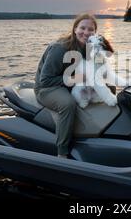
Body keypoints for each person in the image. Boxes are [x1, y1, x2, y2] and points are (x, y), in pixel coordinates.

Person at [34, 13, 97, 158]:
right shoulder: (60, 48)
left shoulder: (89, 47)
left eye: (90, 29)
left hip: (68, 84)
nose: (86, 32)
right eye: (82, 28)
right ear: (75, 29)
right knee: (67, 104)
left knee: (108, 88)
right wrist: (77, 78)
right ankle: (62, 152)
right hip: (46, 88)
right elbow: (46, 80)